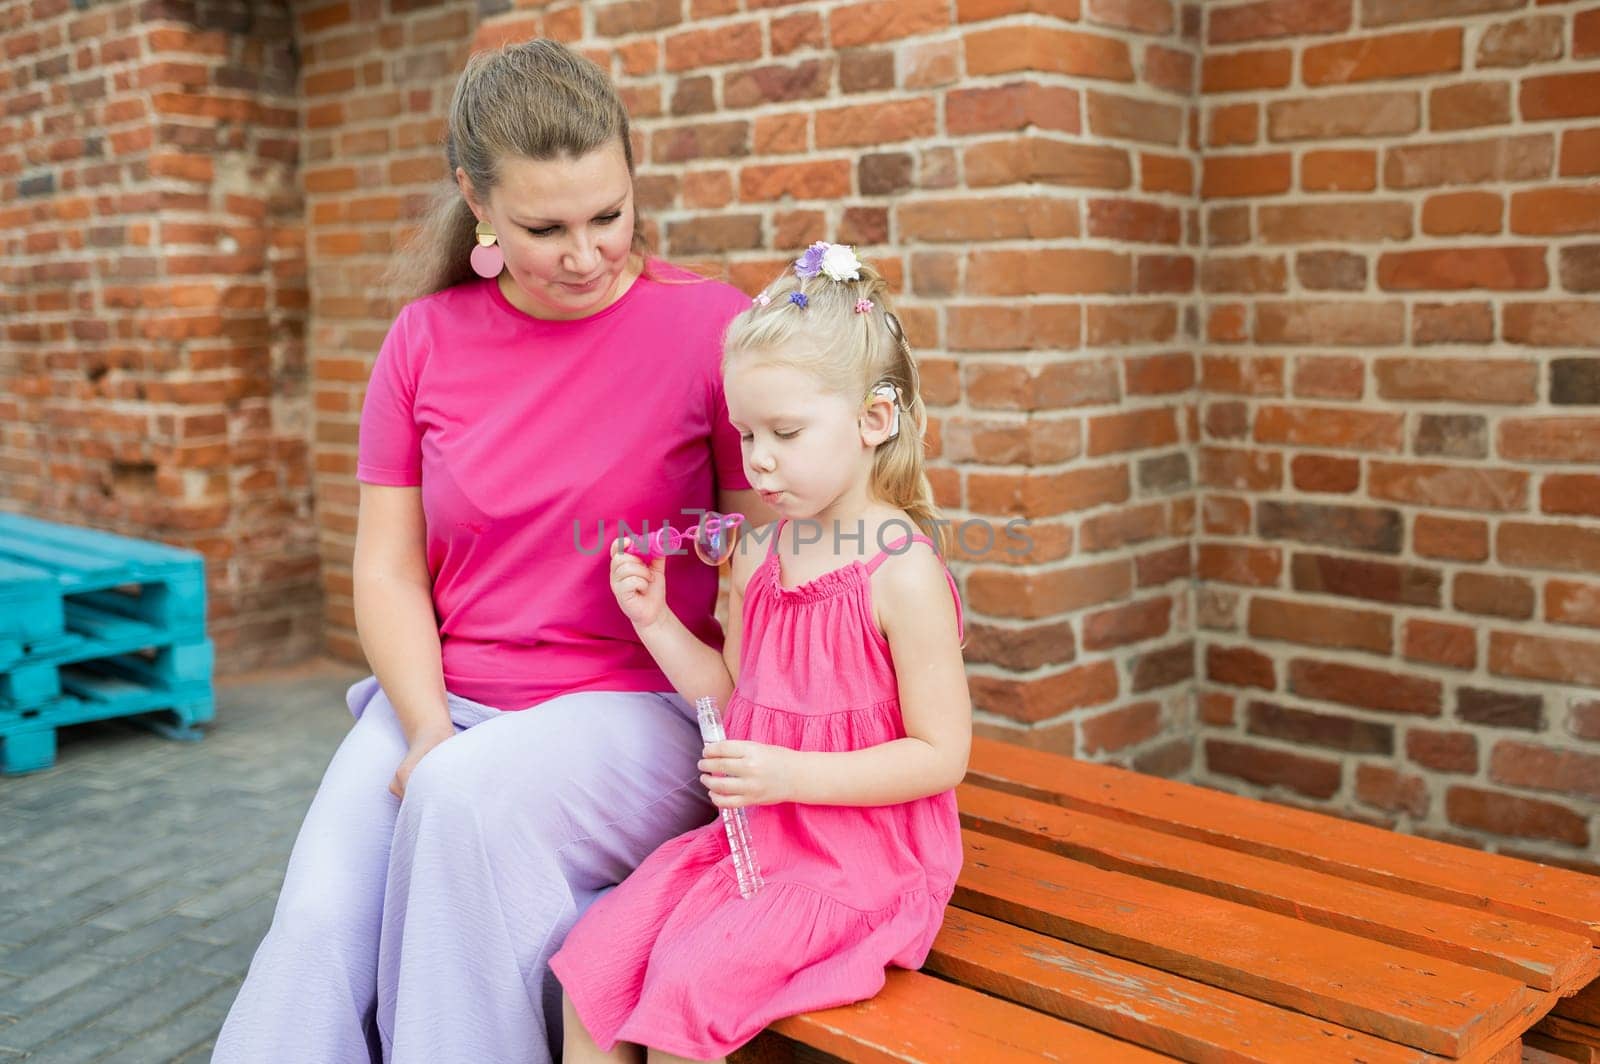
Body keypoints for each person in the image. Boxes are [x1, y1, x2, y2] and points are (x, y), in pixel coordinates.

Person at [212, 39, 769, 1064]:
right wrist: (425, 721)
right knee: (319, 924)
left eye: (609, 214)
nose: (588, 251)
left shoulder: (714, 332)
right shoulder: (423, 340)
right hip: (446, 698)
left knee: (462, 799)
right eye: (544, 227)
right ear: (476, 201)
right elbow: (386, 568)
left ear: (633, 173)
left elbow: (767, 557)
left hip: (636, 706)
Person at [549, 244, 973, 1063]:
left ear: (873, 420)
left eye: (785, 431)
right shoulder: (758, 554)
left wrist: (792, 777)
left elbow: (941, 754)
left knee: (684, 997)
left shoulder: (901, 569)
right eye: (746, 434)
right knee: (590, 973)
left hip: (860, 867)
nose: (759, 460)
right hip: (754, 843)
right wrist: (657, 625)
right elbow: (735, 692)